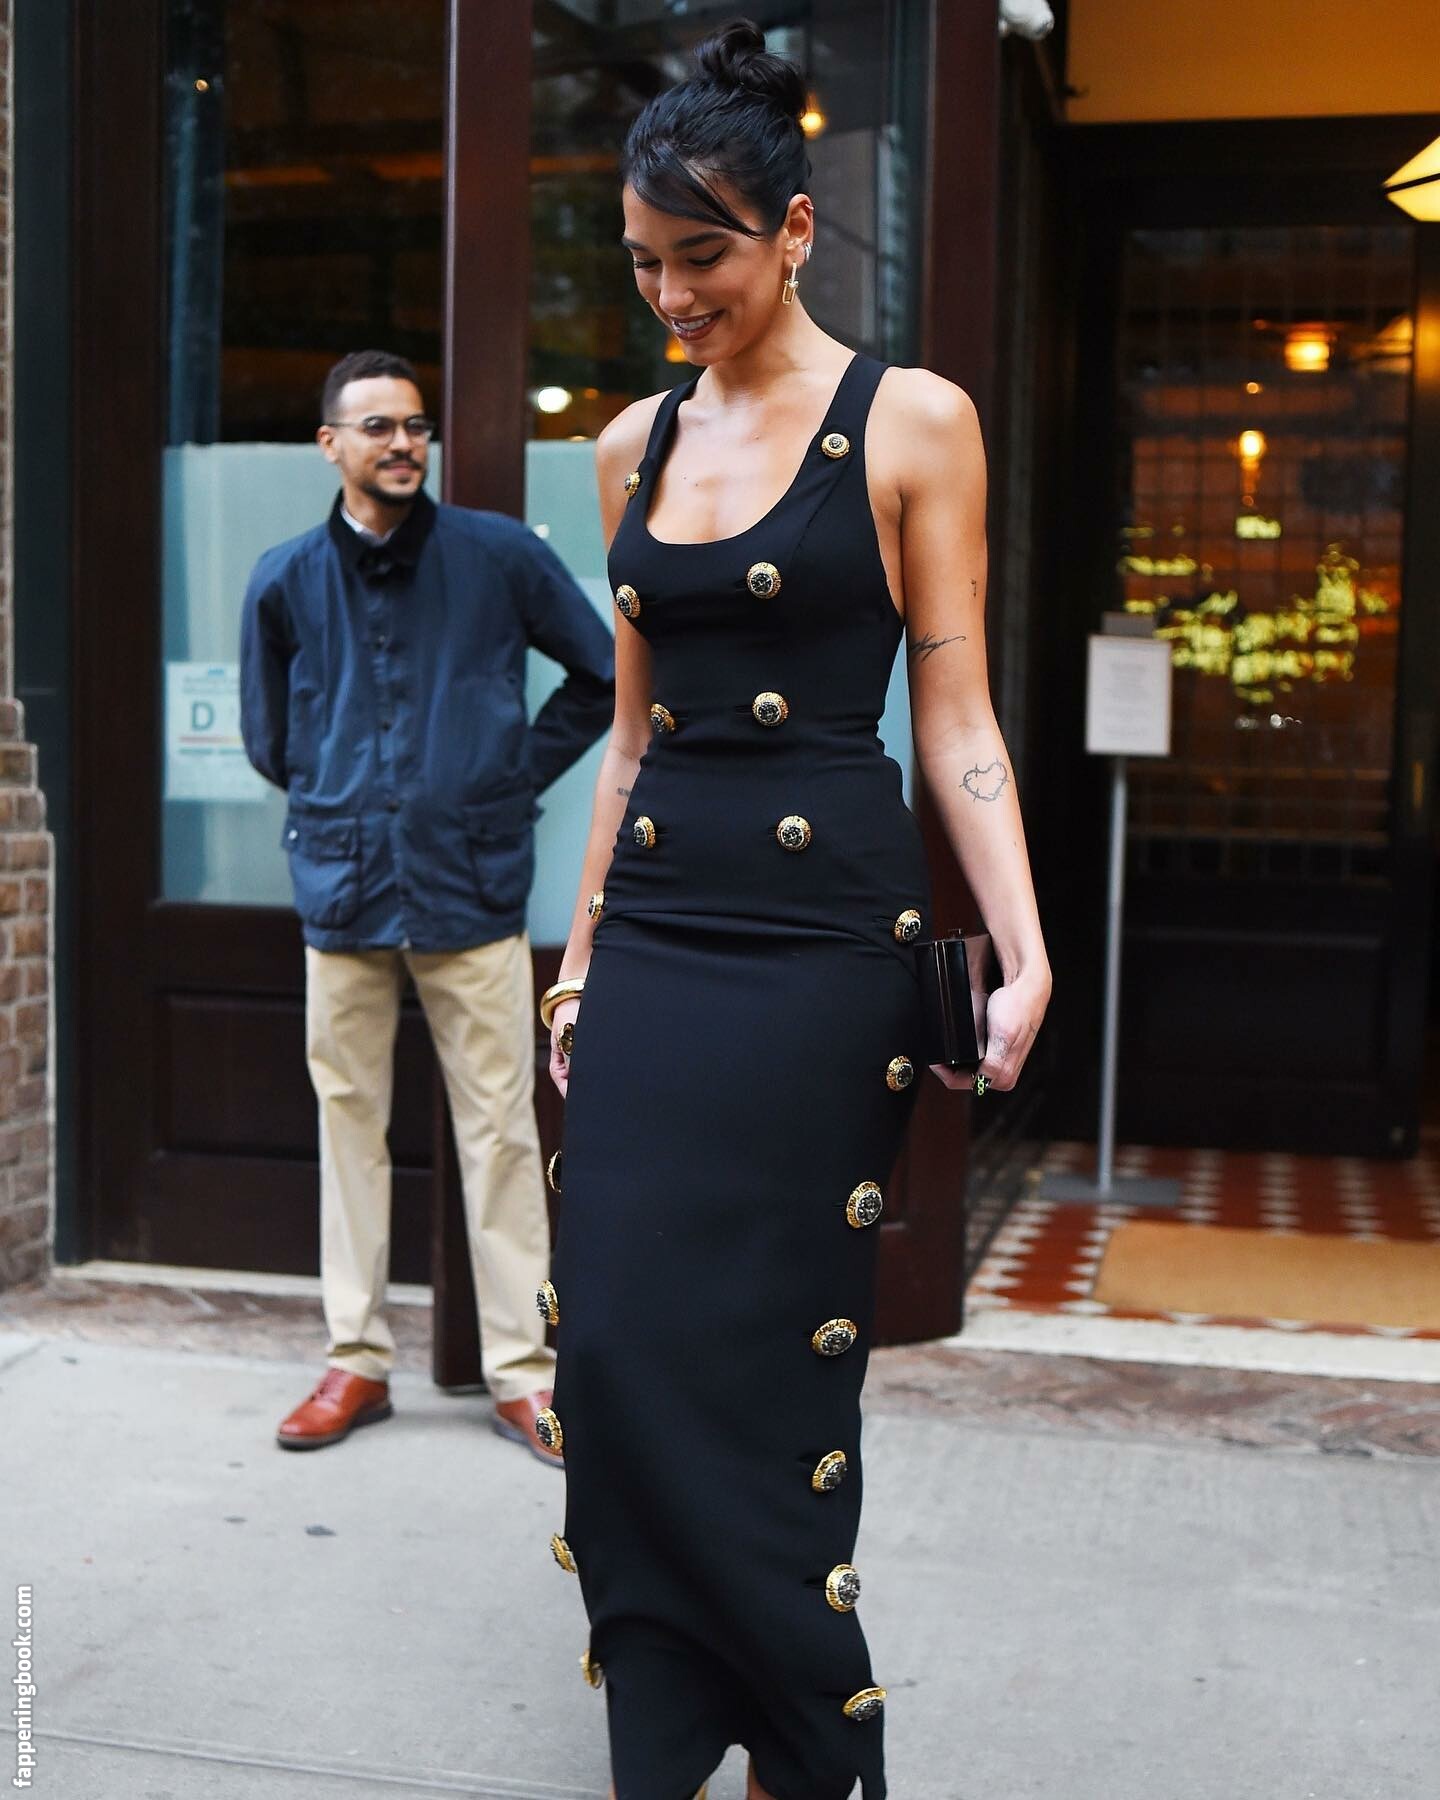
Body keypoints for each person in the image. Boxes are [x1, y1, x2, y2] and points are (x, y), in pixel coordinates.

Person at [538, 21, 1051, 1800]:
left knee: (767, 1357)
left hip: (827, 940)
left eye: (706, 257)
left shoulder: (915, 420)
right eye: (644, 264)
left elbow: (957, 715)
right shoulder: (628, 445)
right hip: (663, 929)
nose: (673, 296)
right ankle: (676, 1726)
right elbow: (627, 742)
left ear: (799, 232)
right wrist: (581, 961)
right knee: (613, 1346)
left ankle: (808, 1745)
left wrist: (1025, 949)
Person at [239, 349, 614, 1462]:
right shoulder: (283, 578)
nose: (403, 443)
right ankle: (354, 1361)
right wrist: (336, 794)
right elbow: (268, 736)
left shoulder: (499, 557)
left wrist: (505, 777)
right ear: (330, 446)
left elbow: (602, 676)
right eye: (377, 427)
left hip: (469, 884)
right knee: (347, 1122)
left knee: (499, 1132)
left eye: (414, 425)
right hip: (342, 885)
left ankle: (523, 1374)